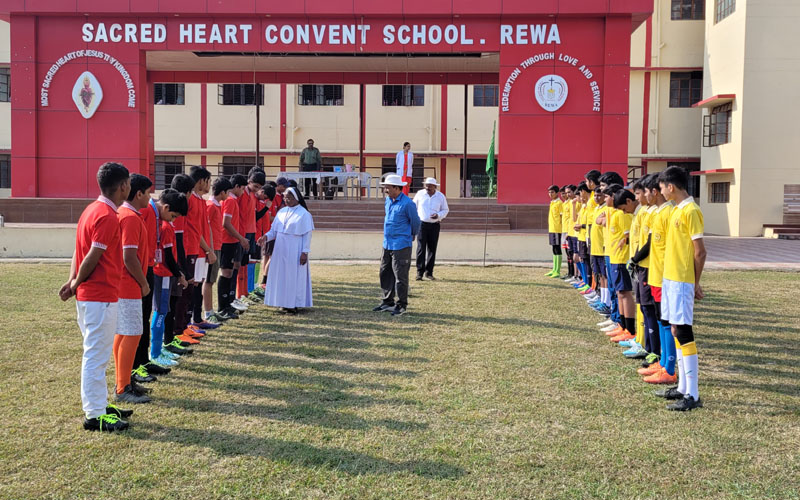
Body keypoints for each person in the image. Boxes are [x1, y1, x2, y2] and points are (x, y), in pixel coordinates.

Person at [59, 162, 131, 432]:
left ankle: (100, 405)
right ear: (123, 186)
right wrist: (76, 282)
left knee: (97, 354)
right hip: (99, 295)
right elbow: (93, 255)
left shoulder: (91, 210)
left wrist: (72, 281)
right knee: (96, 356)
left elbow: (80, 251)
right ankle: (94, 415)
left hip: (93, 296)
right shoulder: (108, 216)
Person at [659, 166, 706, 411]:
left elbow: (700, 251)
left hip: (682, 281)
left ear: (671, 186)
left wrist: (695, 282)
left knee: (684, 332)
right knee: (676, 330)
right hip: (670, 278)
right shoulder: (676, 209)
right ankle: (682, 388)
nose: (660, 192)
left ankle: (693, 395)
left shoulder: (691, 210)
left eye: (662, 187)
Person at [113, 174, 153, 405]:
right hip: (128, 283)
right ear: (138, 194)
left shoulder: (128, 214)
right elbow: (129, 256)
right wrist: (144, 282)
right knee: (132, 332)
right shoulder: (129, 217)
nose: (150, 197)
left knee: (125, 331)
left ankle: (124, 380)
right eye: (148, 192)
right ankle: (122, 386)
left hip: (124, 282)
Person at [149, 189, 189, 369]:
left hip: (165, 275)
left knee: (163, 311)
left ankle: (160, 348)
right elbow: (168, 256)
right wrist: (179, 274)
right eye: (173, 216)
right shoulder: (164, 227)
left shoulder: (164, 224)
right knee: (160, 312)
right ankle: (155, 353)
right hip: (162, 274)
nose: (173, 220)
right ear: (166, 207)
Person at [259, 187, 314, 314]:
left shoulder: (304, 214)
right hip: (280, 249)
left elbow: (307, 234)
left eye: (289, 198)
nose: (286, 200)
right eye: (285, 198)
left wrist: (304, 252)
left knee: (293, 276)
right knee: (281, 275)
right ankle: (282, 302)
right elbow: (274, 231)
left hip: (295, 248)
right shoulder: (281, 212)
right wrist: (266, 237)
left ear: (296, 198)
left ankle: (293, 303)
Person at [374, 174, 421, 316]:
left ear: (396, 187)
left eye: (387, 187)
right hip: (387, 243)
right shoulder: (388, 201)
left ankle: (401, 305)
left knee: (400, 276)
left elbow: (416, 222)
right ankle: (387, 301)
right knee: (385, 272)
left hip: (401, 244)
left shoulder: (408, 204)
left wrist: (411, 234)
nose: (385, 190)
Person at [606, 188, 638, 344]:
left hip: (622, 258)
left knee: (625, 292)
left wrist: (624, 240)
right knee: (620, 293)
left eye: (607, 195)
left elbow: (629, 235)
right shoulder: (615, 213)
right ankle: (623, 326)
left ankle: (630, 329)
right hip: (614, 257)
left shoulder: (623, 215)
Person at [217, 174, 249, 319]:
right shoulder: (230, 201)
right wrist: (241, 238)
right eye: (242, 189)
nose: (243, 192)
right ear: (236, 187)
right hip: (226, 241)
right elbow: (226, 223)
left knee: (229, 273)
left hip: (231, 241)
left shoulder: (232, 200)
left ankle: (227, 304)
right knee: (225, 273)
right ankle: (222, 307)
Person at [203, 177, 231, 323]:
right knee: (208, 281)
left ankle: (211, 310)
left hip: (217, 247)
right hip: (212, 248)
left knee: (211, 280)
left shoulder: (217, 206)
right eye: (228, 192)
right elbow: (206, 228)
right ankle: (208, 313)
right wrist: (210, 250)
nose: (229, 196)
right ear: (222, 192)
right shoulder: (211, 206)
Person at [412, 177, 448, 281]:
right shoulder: (420, 194)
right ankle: (419, 272)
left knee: (432, 249)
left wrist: (438, 215)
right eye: (426, 185)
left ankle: (429, 272)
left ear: (435, 187)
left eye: (430, 185)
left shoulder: (440, 196)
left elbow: (445, 210)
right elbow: (413, 206)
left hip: (434, 225)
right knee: (420, 249)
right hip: (421, 225)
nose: (428, 187)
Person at [545, 185, 563, 277]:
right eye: (549, 192)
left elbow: (561, 216)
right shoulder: (552, 203)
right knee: (553, 249)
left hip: (557, 229)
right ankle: (554, 269)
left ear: (557, 193)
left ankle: (558, 270)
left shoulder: (559, 203)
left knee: (557, 248)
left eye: (552, 192)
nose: (550, 194)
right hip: (552, 228)